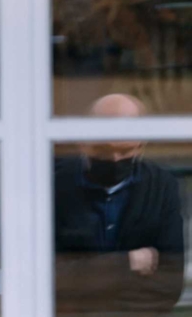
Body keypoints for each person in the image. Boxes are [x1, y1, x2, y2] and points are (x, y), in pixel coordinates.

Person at [55, 94, 184, 316]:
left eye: (125, 151)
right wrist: (128, 262)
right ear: (83, 142)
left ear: (141, 146)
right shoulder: (54, 186)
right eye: (103, 150)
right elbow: (48, 279)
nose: (115, 159)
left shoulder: (162, 186)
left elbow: (169, 284)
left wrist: (89, 277)